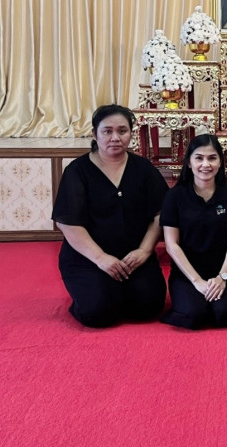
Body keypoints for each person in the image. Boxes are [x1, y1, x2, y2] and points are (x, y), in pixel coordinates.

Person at [52, 104, 167, 327]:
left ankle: (118, 291)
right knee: (98, 312)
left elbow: (160, 214)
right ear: (94, 134)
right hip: (89, 258)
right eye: (107, 131)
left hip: (133, 257)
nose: (115, 138)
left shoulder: (143, 169)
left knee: (149, 307)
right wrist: (100, 258)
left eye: (122, 131)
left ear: (131, 134)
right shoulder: (77, 171)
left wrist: (144, 251)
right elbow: (68, 223)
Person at [160, 135, 227, 329]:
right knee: (194, 314)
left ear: (220, 162)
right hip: (187, 272)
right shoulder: (174, 196)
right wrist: (197, 281)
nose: (205, 164)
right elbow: (172, 244)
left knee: (225, 313)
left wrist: (222, 277)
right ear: (189, 163)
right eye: (199, 158)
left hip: (222, 270)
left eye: (212, 158)